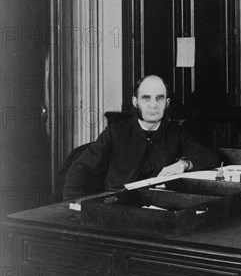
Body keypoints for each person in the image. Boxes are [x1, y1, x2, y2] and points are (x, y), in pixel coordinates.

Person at [63, 75, 219, 199]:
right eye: (146, 98)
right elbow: (80, 169)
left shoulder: (175, 132)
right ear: (135, 102)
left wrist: (184, 164)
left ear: (167, 103)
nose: (153, 105)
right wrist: (73, 207)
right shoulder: (115, 132)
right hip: (118, 207)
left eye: (160, 98)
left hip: (160, 207)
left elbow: (209, 157)